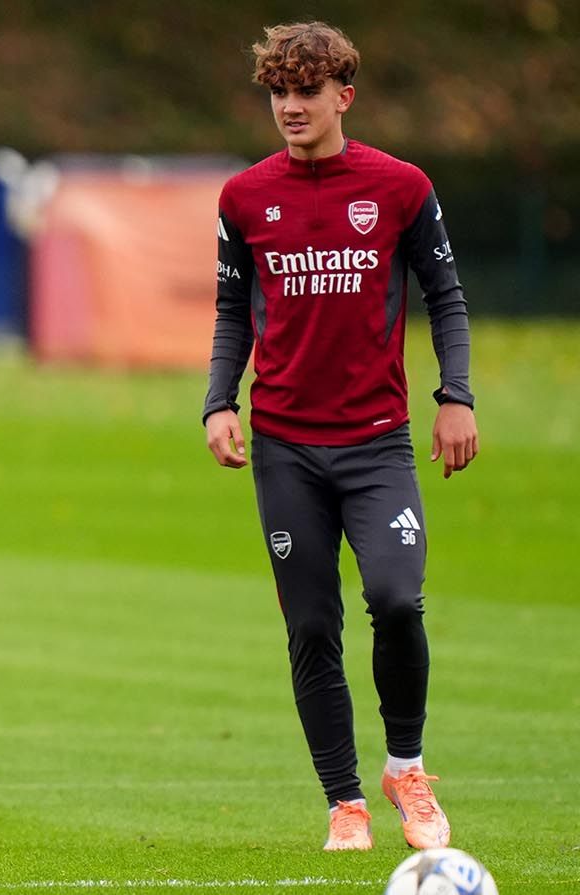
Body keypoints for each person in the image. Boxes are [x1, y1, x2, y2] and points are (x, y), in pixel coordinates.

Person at [203, 22, 475, 852]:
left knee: (395, 598)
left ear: (343, 96)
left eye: (307, 91)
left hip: (377, 442)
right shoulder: (244, 197)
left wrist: (456, 396)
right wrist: (219, 402)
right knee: (313, 623)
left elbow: (445, 296)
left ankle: (406, 768)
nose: (291, 106)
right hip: (285, 447)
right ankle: (344, 803)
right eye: (279, 92)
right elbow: (230, 310)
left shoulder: (400, 188)